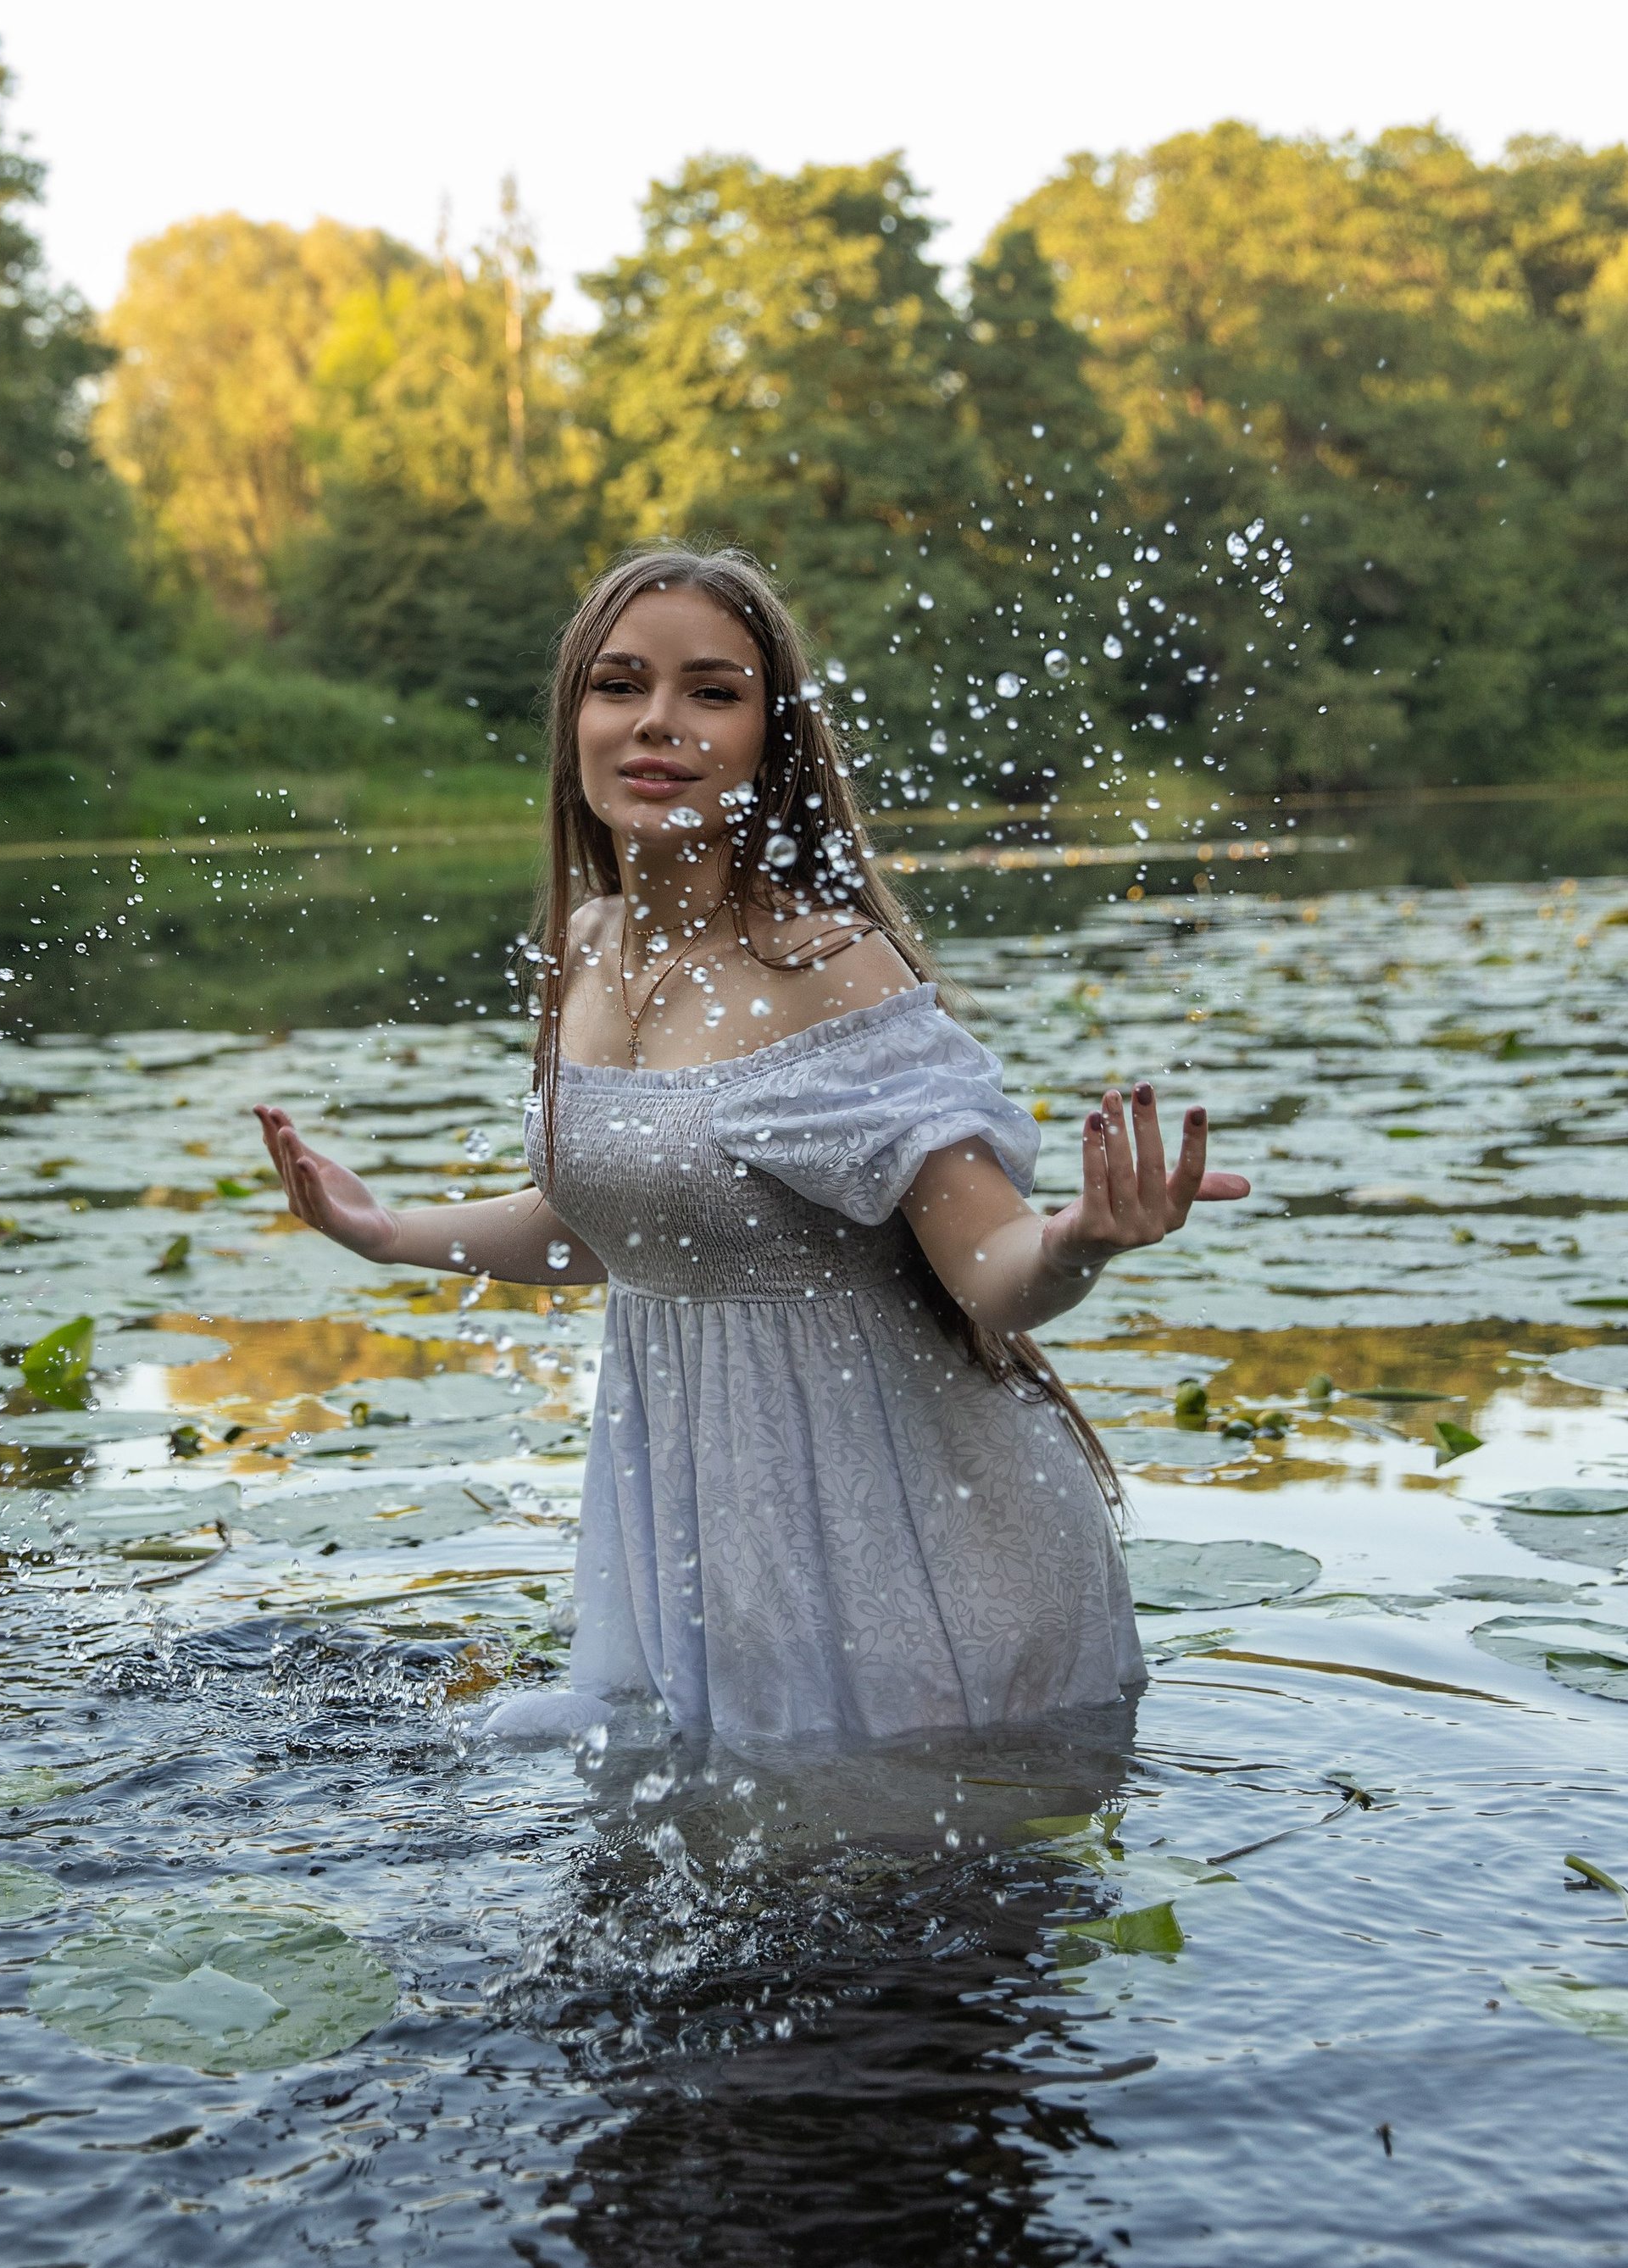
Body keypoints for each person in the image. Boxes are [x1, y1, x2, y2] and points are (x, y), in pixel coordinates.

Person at [255, 546, 1250, 1751]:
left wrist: (1084, 1238)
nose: (658, 722)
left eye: (712, 692)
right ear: (575, 719)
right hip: (713, 1557)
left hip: (906, 1558)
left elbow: (990, 1265)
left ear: (771, 740)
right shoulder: (585, 944)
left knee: (886, 1924)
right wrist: (383, 1234)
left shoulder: (828, 970)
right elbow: (615, 1228)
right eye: (620, 685)